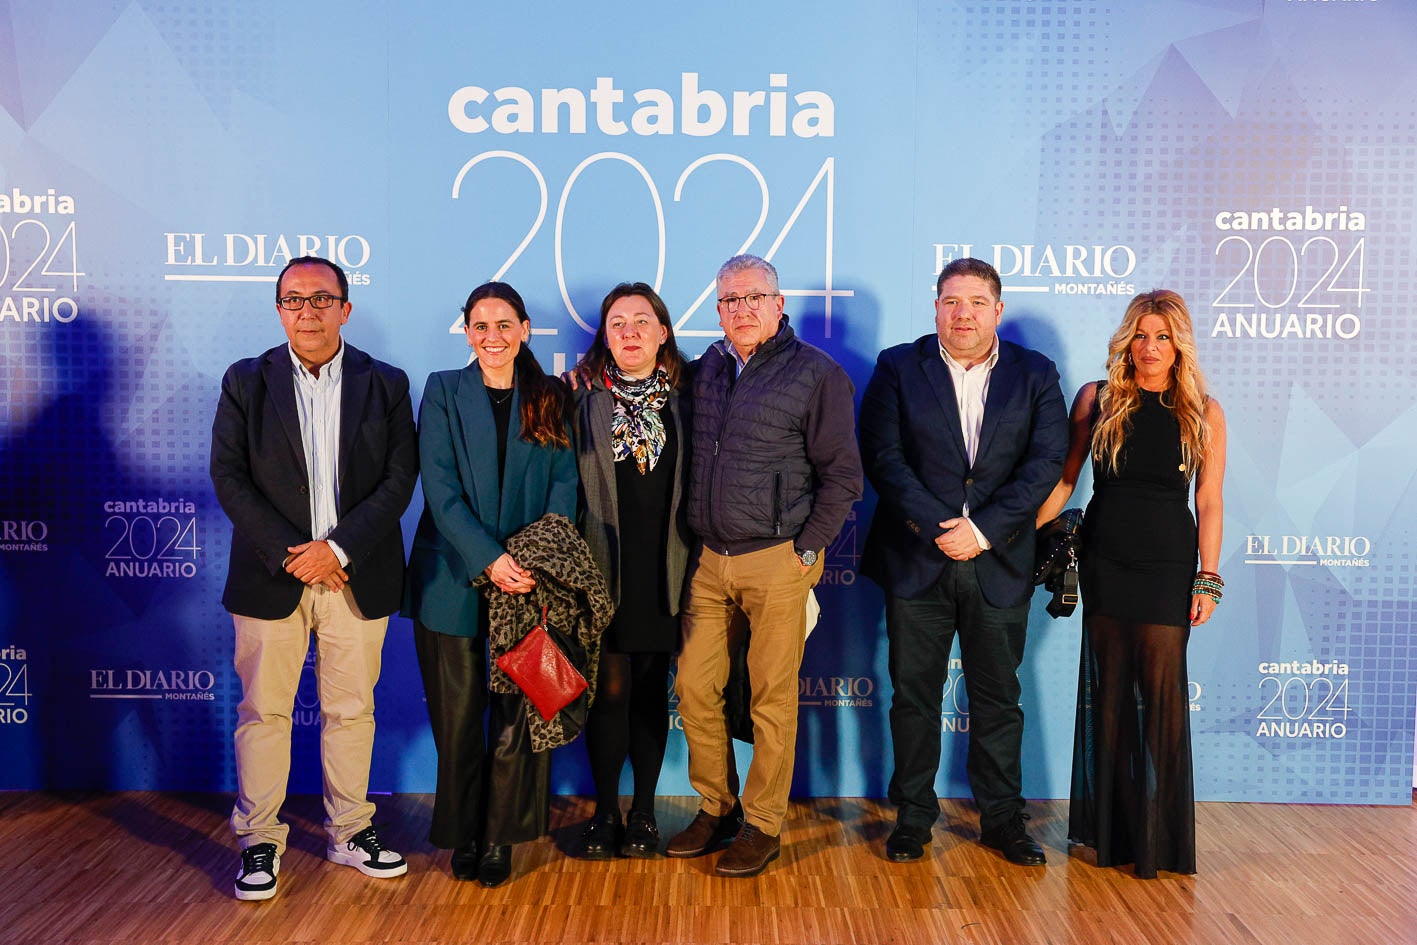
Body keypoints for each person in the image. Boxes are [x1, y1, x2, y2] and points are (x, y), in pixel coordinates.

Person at [211, 255, 418, 901]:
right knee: (263, 711)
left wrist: (340, 549)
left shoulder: (385, 382)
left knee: (352, 710)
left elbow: (398, 479)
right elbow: (228, 476)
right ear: (279, 310)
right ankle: (259, 840)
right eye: (294, 299)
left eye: (321, 299)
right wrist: (293, 552)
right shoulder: (247, 380)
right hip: (273, 574)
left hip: (355, 573)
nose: (307, 310)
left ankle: (351, 830)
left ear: (345, 308)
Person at [859, 257, 1067, 867]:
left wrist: (983, 530)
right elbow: (883, 456)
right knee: (913, 698)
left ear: (997, 310)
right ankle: (914, 819)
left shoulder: (1036, 373)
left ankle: (1003, 821)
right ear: (935, 308)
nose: (963, 313)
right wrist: (941, 527)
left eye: (976, 302)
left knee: (999, 701)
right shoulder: (899, 365)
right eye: (951, 301)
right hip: (917, 558)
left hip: (998, 561)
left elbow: (1046, 460)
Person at [667, 254, 863, 877]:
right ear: (717, 310)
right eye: (729, 300)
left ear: (779, 304)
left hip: (778, 559)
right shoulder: (704, 372)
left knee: (771, 701)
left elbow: (843, 476)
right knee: (696, 689)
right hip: (707, 560)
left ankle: (762, 823)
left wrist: (806, 550)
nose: (742, 309)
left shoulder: (817, 375)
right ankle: (716, 806)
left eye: (755, 297)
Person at [1035, 289, 1226, 878]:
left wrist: (1209, 579)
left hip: (1168, 565)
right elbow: (1066, 482)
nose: (1150, 347)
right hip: (1106, 560)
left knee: (1163, 698)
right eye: (1141, 335)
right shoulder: (1098, 399)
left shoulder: (1204, 411)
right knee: (1109, 693)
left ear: (1179, 345)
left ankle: (1159, 839)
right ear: (1128, 341)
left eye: (1163, 337)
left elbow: (1211, 502)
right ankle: (1111, 835)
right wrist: (1028, 538)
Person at [402, 281, 578, 887]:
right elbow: (440, 490)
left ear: (525, 330)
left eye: (504, 324)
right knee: (457, 721)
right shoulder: (444, 391)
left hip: (529, 585)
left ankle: (501, 836)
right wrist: (489, 559)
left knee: (515, 720)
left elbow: (564, 487)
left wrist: (526, 562)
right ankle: (465, 833)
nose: (492, 336)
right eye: (480, 325)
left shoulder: (551, 396)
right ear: (467, 332)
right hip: (452, 578)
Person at [569, 283, 692, 859]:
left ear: (663, 332)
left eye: (643, 321)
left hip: (666, 567)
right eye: (617, 323)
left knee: (649, 691)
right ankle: (603, 813)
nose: (631, 332)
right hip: (601, 569)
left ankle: (643, 812)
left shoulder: (691, 397)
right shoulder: (581, 398)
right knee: (608, 693)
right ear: (605, 336)